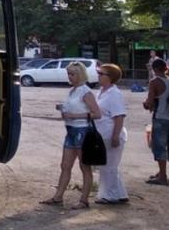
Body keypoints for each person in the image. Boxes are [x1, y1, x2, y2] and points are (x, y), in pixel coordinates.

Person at [40, 61, 102, 208]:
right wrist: (64, 111)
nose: (70, 76)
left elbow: (97, 114)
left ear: (80, 75)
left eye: (72, 74)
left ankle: (84, 199)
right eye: (68, 73)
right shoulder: (72, 91)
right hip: (70, 130)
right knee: (65, 165)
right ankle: (58, 196)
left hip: (82, 130)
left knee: (84, 166)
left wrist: (75, 115)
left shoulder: (85, 91)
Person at [143, 57, 169, 185]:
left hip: (161, 118)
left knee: (160, 147)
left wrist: (145, 104)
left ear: (155, 69)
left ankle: (162, 176)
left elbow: (149, 102)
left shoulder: (155, 81)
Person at [93, 63, 130, 205]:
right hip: (102, 134)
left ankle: (110, 195)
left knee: (109, 166)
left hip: (111, 134)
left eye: (101, 74)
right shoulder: (102, 92)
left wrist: (115, 136)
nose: (99, 76)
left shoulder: (114, 94)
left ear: (110, 77)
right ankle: (119, 193)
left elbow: (119, 117)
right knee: (109, 165)